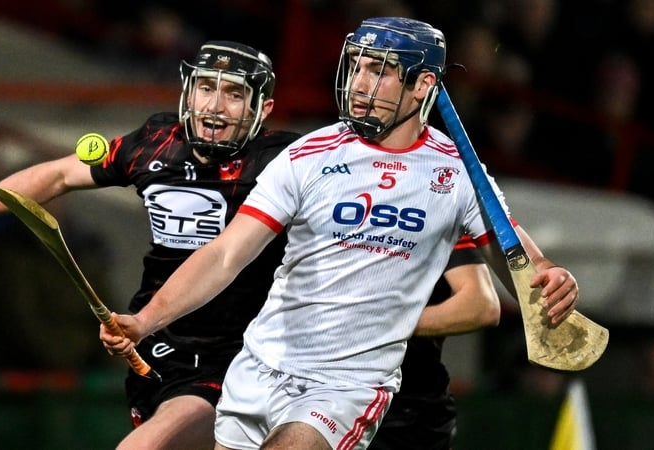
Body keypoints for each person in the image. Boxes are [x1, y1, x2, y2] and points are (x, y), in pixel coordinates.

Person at [98, 17, 580, 450]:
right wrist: (147, 319)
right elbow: (226, 254)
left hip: (345, 385)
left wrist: (547, 273)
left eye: (381, 70)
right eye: (359, 66)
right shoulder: (309, 154)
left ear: (423, 85)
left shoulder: (455, 173)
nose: (361, 83)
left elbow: (514, 256)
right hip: (260, 365)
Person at [0, 40, 302, 449]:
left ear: (261, 109)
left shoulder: (285, 161)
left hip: (242, 353)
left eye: (234, 94)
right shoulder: (154, 144)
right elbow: (59, 176)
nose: (215, 105)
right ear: (187, 91)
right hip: (159, 349)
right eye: (206, 88)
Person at [370, 235, 500, 450]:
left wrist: (378, 327)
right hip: (315, 392)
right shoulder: (304, 211)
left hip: (407, 410)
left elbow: (481, 306)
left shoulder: (440, 209)